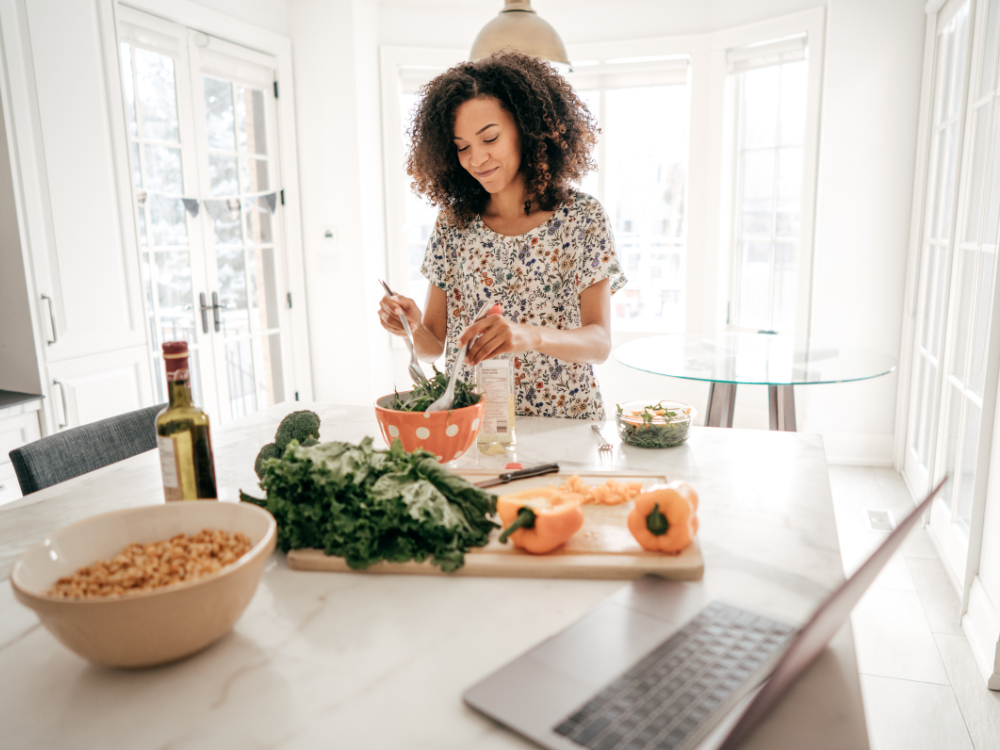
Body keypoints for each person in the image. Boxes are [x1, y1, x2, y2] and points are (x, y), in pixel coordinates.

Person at [377, 50, 626, 420]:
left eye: (490, 138)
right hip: (476, 425)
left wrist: (529, 335)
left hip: (565, 425)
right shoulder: (453, 226)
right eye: (462, 147)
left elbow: (600, 343)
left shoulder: (581, 218)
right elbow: (433, 347)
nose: (476, 159)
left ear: (526, 129)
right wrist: (411, 326)